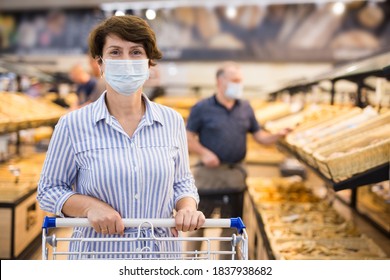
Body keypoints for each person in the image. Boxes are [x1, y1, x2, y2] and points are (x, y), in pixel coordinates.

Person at [37, 14, 205, 259]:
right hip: (98, 258)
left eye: (136, 52)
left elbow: (181, 182)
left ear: (149, 64)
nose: (126, 61)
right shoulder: (73, 125)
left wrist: (187, 207)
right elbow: (49, 190)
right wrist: (90, 207)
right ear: (100, 64)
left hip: (159, 258)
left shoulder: (172, 121)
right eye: (115, 52)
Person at [186, 61, 291, 259]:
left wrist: (277, 135)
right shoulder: (202, 108)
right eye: (235, 80)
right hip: (208, 178)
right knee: (197, 225)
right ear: (220, 82)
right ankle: (190, 265)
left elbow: (260, 136)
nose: (238, 84)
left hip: (234, 178)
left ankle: (227, 267)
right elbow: (187, 137)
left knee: (231, 230)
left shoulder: (245, 108)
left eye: (240, 81)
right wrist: (204, 152)